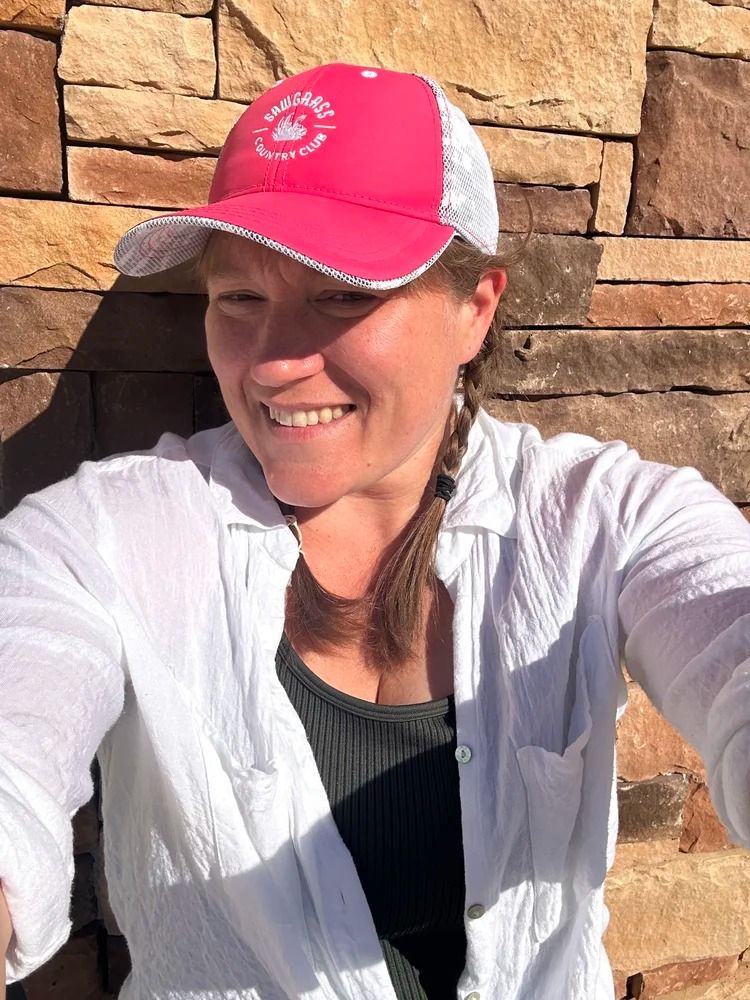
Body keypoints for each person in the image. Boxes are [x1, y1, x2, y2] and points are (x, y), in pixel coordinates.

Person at [1, 61, 749, 1000]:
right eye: (239, 298)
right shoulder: (105, 538)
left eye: (345, 295)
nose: (274, 364)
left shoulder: (602, 520)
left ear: (474, 311)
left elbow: (726, 623)